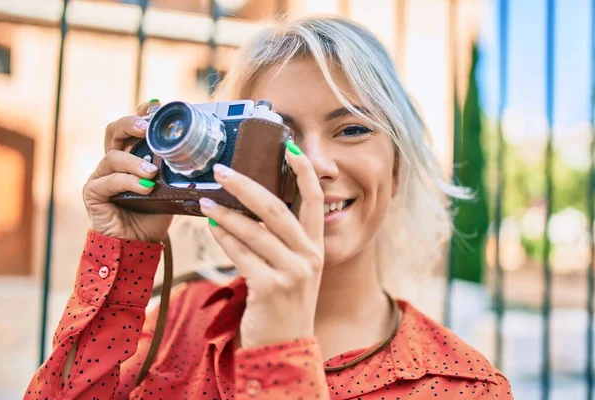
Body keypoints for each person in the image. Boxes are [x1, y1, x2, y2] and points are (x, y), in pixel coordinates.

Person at [25, 15, 513, 399]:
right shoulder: (178, 323)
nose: (316, 165)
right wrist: (122, 257)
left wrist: (280, 352)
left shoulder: (463, 386)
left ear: (398, 165)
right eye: (280, 133)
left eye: (353, 128)